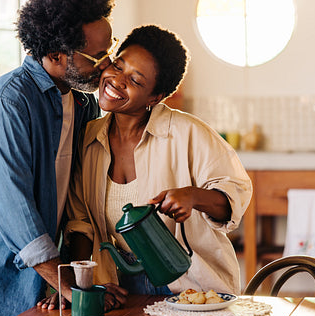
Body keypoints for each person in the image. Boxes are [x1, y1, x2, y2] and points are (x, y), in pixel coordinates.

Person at [0, 0, 128, 316]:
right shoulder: (6, 103)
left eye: (111, 50)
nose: (108, 66)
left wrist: (70, 279)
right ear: (54, 55)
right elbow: (14, 210)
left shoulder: (82, 104)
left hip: (32, 286)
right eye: (98, 57)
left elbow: (75, 199)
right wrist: (70, 285)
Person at [62, 25, 252, 297]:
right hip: (118, 288)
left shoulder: (188, 133)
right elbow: (81, 223)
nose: (117, 80)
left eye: (136, 80)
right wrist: (81, 286)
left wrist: (193, 196)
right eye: (118, 65)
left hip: (190, 288)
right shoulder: (88, 140)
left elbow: (235, 197)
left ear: (155, 97)